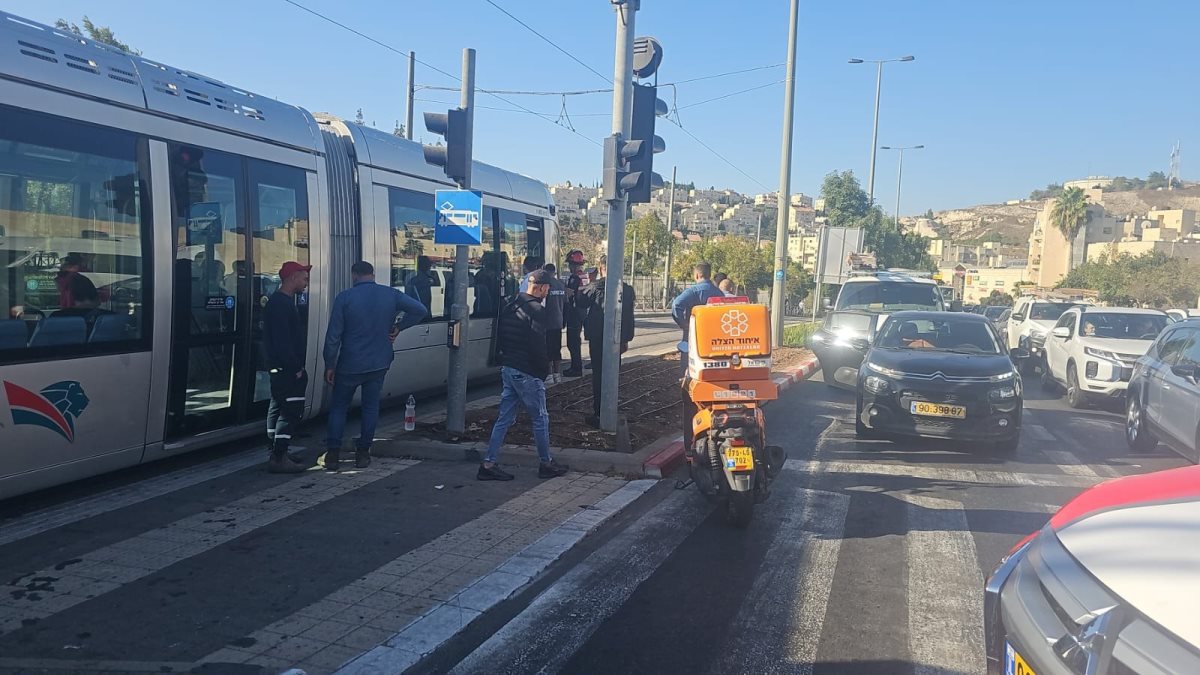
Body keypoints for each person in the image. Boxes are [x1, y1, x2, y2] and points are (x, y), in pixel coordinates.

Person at [323, 260, 428, 471]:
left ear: (354, 275)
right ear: (372, 274)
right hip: (379, 362)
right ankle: (363, 453)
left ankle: (333, 455)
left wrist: (329, 364)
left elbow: (333, 337)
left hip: (349, 364)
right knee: (370, 408)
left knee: (339, 408)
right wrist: (399, 327)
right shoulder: (390, 294)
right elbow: (420, 309)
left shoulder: (344, 298)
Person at [480, 268, 570, 481]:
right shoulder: (537, 310)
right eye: (547, 288)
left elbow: (502, 336)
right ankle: (546, 463)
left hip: (510, 367)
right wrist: (542, 371)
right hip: (527, 371)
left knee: (504, 419)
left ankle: (488, 464)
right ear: (539, 287)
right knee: (540, 418)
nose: (548, 292)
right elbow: (539, 344)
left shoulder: (511, 304)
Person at [263, 261, 312, 474]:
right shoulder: (282, 304)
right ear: (292, 278)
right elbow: (283, 343)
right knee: (290, 412)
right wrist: (296, 368)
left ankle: (276, 452)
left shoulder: (277, 302)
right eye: (304, 278)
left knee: (276, 409)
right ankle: (280, 456)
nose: (306, 283)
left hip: (278, 369)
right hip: (288, 370)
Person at [576, 256, 636, 427]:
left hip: (597, 338)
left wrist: (590, 282)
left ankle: (600, 412)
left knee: (599, 375)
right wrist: (626, 339)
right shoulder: (627, 290)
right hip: (617, 339)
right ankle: (611, 408)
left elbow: (579, 301)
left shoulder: (595, 287)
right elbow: (629, 317)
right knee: (612, 375)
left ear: (602, 269)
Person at [671, 262, 724, 341]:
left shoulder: (693, 291)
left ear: (697, 275)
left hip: (694, 334)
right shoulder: (720, 293)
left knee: (689, 352)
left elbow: (676, 305)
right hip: (714, 337)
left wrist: (684, 324)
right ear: (709, 275)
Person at [562, 250, 587, 377]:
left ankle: (576, 368)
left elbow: (569, 293)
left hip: (574, 312)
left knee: (572, 342)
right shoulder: (584, 276)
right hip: (582, 312)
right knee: (576, 340)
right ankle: (576, 367)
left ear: (572, 265)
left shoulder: (574, 277)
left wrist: (562, 288)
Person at [542, 262, 567, 384]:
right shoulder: (561, 285)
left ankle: (549, 374)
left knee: (547, 349)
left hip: (547, 322)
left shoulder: (547, 285)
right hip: (559, 320)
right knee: (557, 348)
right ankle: (557, 374)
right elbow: (565, 302)